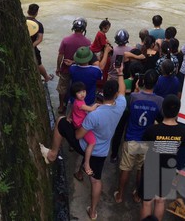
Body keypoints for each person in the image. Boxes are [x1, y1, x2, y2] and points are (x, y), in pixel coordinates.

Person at [40, 70, 127, 221]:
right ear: (115, 96)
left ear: (102, 93)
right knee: (96, 180)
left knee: (61, 121)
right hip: (102, 151)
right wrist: (120, 74)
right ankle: (92, 212)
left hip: (85, 144)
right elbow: (123, 91)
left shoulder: (94, 114)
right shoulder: (120, 105)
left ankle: (52, 154)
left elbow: (79, 135)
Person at [114, 70, 163, 204]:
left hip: (131, 139)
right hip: (147, 141)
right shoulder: (160, 101)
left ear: (141, 82)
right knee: (141, 169)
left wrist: (136, 91)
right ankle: (137, 194)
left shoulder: (133, 97)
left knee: (126, 168)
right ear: (156, 83)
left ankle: (120, 195)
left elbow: (128, 109)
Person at [140, 94, 185, 221]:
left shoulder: (153, 130)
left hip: (151, 168)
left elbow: (145, 144)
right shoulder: (183, 131)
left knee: (147, 202)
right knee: (160, 200)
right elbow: (181, 147)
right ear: (178, 111)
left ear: (163, 110)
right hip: (168, 170)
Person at [56, 18, 91, 114]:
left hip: (66, 69)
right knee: (79, 89)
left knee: (62, 88)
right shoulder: (87, 42)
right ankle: (78, 106)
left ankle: (61, 106)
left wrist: (58, 68)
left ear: (73, 28)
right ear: (84, 29)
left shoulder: (66, 40)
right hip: (80, 70)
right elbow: (89, 58)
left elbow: (60, 56)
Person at [68, 81, 99, 176]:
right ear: (74, 94)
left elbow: (73, 109)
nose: (82, 94)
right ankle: (86, 163)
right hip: (81, 125)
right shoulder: (80, 104)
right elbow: (91, 109)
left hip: (76, 122)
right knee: (92, 142)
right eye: (79, 92)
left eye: (84, 91)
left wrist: (69, 117)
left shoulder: (78, 101)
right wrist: (97, 104)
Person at [25, 3, 53, 82]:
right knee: (38, 63)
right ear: (37, 13)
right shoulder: (39, 25)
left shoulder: (21, 20)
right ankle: (47, 78)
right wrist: (31, 46)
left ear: (27, 11)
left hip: (20, 45)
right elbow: (40, 39)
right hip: (32, 46)